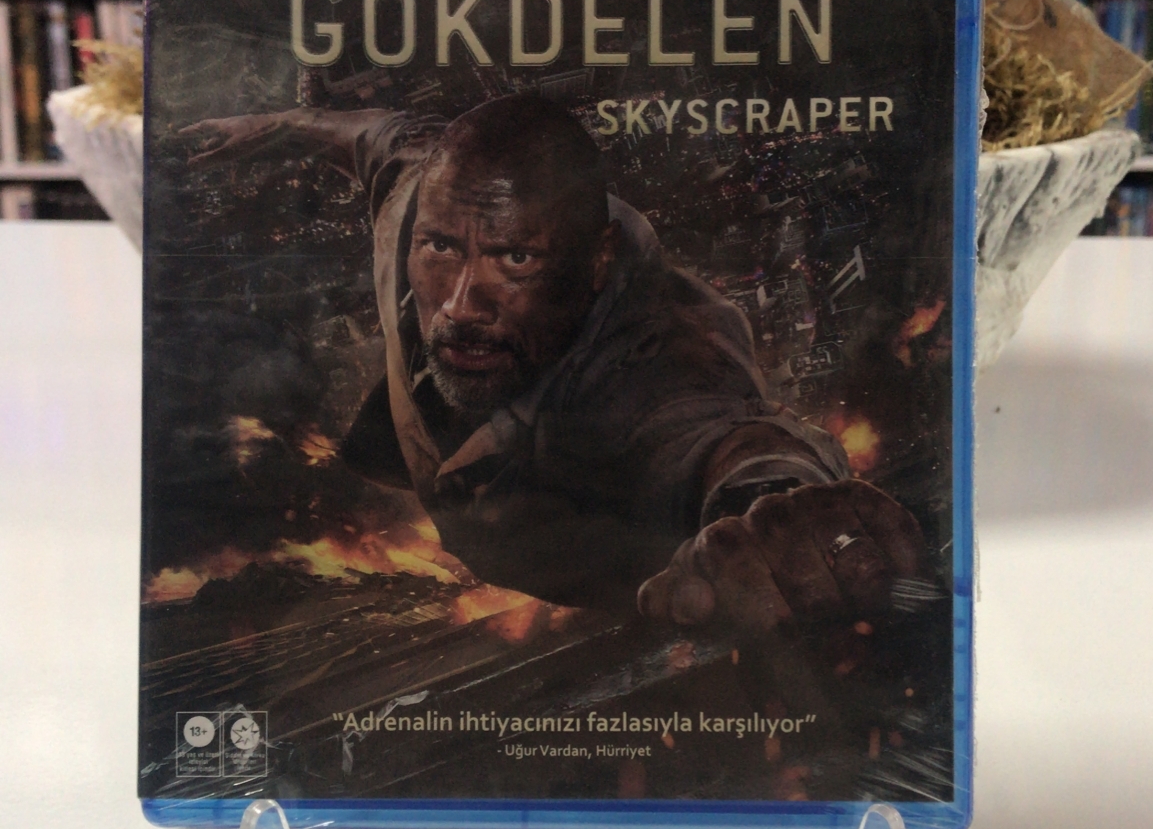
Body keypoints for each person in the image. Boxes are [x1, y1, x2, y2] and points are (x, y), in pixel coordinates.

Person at [183, 95, 928, 625]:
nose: (460, 305)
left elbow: (721, 433)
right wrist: (277, 126)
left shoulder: (660, 350)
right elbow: (380, 138)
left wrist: (781, 507)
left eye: (515, 258)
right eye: (441, 248)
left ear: (595, 262)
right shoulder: (420, 198)